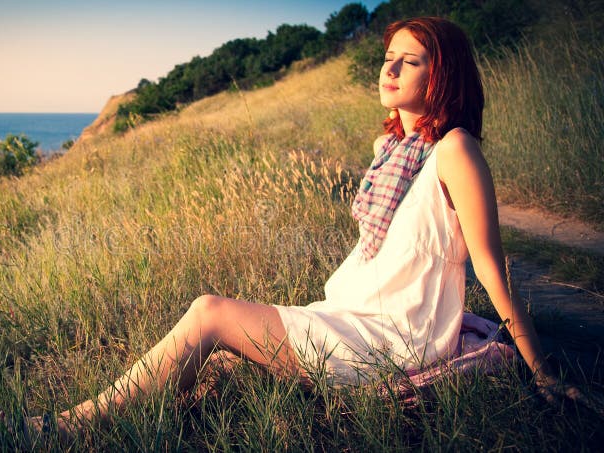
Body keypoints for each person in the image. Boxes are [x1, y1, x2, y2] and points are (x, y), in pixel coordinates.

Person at [29, 16, 589, 438]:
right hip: (349, 316)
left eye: (409, 61)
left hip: (395, 337)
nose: (388, 69)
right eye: (388, 57)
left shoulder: (456, 151)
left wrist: (540, 371)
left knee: (209, 313)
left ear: (442, 73)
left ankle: (67, 428)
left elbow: (492, 269)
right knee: (220, 357)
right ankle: (137, 424)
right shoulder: (390, 148)